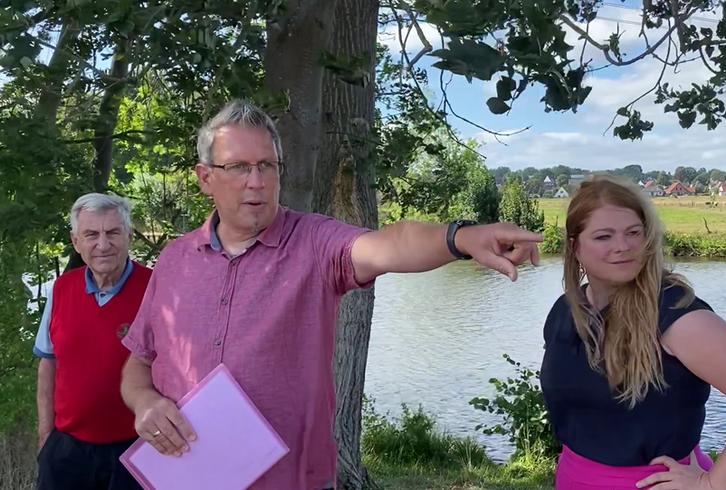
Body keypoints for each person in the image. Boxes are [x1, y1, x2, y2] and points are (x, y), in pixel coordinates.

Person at [118, 100, 542, 490]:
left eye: (268, 165)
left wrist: (460, 238)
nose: (257, 181)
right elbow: (139, 362)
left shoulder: (314, 243)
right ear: (205, 177)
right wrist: (144, 403)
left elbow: (390, 244)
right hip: (184, 478)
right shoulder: (175, 259)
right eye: (239, 167)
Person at [540, 175, 726, 490]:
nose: (623, 246)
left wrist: (711, 484)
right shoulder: (566, 311)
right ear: (574, 246)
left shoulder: (675, 315)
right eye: (604, 236)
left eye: (633, 232)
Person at [33, 193, 151, 490]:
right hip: (66, 451)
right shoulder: (61, 289)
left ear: (129, 235)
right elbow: (48, 365)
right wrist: (46, 436)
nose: (103, 244)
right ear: (76, 242)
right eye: (91, 234)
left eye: (112, 232)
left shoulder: (156, 288)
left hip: (136, 449)